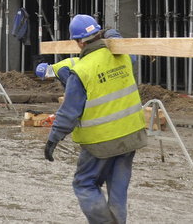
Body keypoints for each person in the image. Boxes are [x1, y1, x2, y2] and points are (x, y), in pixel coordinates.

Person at [44, 15, 146, 224]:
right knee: (118, 189)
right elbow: (130, 56)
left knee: (84, 184)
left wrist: (53, 139)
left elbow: (69, 112)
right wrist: (116, 37)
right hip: (131, 135)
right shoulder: (122, 54)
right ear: (99, 33)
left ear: (80, 42)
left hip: (101, 141)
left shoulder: (82, 70)